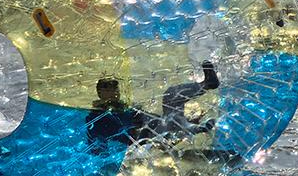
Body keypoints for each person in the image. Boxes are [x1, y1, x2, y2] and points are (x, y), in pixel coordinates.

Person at [87, 62, 221, 148]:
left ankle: (206, 86)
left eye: (115, 88)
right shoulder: (95, 116)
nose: (113, 92)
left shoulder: (125, 107)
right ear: (99, 92)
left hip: (157, 129)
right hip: (145, 140)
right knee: (170, 100)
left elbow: (151, 118)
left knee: (171, 95)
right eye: (107, 88)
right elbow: (98, 143)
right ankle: (195, 128)